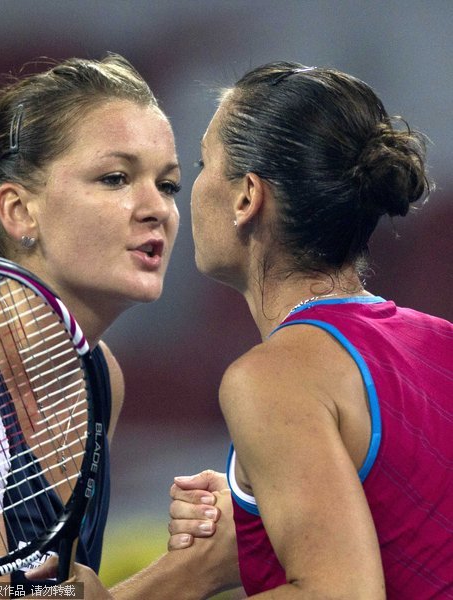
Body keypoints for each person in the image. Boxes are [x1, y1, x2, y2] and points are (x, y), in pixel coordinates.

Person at [168, 61, 453, 599]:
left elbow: (339, 594)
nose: (190, 186)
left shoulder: (273, 379)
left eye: (205, 162)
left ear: (246, 198)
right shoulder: (443, 340)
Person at [0, 53, 184, 594]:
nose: (157, 209)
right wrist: (193, 572)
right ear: (20, 212)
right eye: (116, 178)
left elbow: (60, 589)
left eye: (167, 184)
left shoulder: (99, 377)